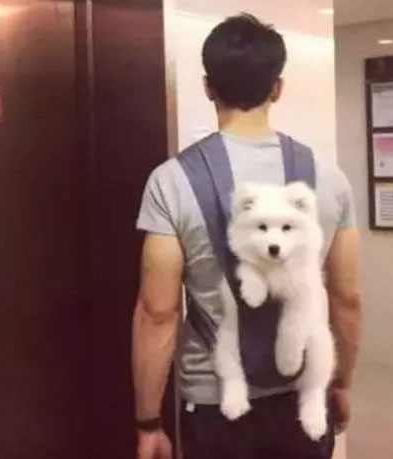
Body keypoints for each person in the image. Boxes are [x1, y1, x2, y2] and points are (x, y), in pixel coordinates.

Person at [132, 13, 362, 459]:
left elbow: (157, 313)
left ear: (208, 87)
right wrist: (341, 382)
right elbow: (347, 298)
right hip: (301, 397)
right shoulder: (328, 178)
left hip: (215, 402)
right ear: (277, 87)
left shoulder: (171, 181)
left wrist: (148, 422)